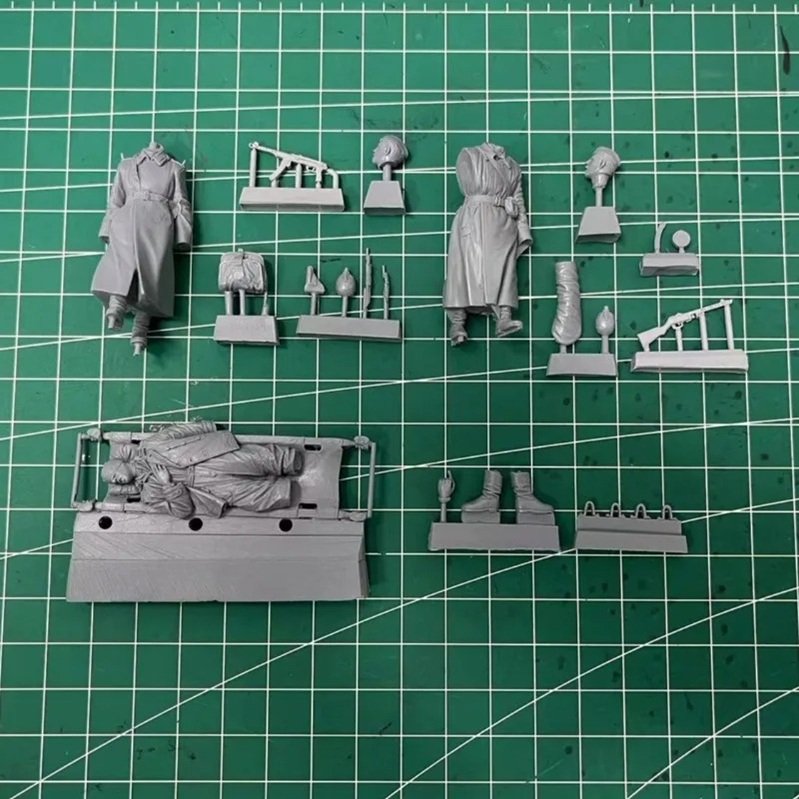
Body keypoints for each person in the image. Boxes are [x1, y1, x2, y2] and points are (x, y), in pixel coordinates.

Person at [91, 141, 193, 355]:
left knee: (152, 273)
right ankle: (116, 305)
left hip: (157, 220)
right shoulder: (126, 165)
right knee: (122, 262)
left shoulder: (174, 168)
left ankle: (141, 327)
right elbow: (115, 200)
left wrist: (183, 235)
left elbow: (181, 201)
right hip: (127, 217)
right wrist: (107, 228)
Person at [101, 421, 303, 519]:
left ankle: (289, 461)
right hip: (205, 488)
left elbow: (178, 432)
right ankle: (287, 493)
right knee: (252, 497)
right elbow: (182, 511)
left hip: (208, 458)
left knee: (254, 458)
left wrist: (207, 427)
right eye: (115, 481)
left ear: (120, 462)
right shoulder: (149, 495)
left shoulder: (150, 447)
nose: (117, 480)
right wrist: (168, 485)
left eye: (114, 474)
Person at [443, 142, 531, 346]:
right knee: (463, 270)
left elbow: (518, 199)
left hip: (504, 222)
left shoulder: (513, 167)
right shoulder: (471, 155)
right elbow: (471, 184)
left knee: (506, 271)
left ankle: (504, 317)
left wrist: (523, 230)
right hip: (475, 217)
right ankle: (457, 323)